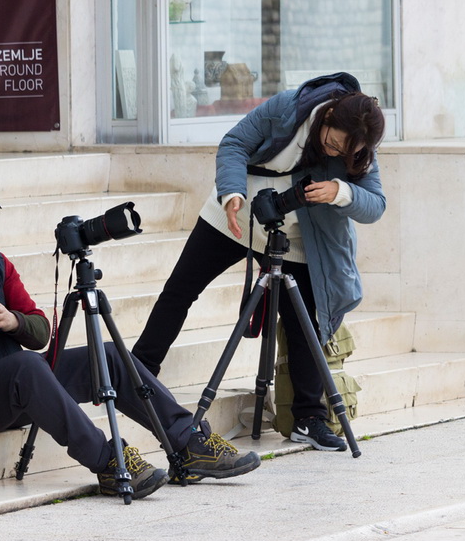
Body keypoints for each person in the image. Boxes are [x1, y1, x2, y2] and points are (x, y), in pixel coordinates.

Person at [0, 166, 260, 500]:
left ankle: (190, 443)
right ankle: (109, 462)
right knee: (28, 366)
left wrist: (15, 321)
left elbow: (41, 331)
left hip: (22, 390)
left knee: (107, 356)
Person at [132, 72, 386, 452]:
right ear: (327, 116)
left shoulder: (357, 144)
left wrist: (341, 190)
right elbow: (234, 143)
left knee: (307, 318)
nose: (335, 153)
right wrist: (231, 192)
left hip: (302, 233)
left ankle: (308, 417)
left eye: (344, 152)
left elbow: (375, 204)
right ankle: (138, 374)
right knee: (181, 289)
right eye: (332, 143)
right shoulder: (289, 107)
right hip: (237, 212)